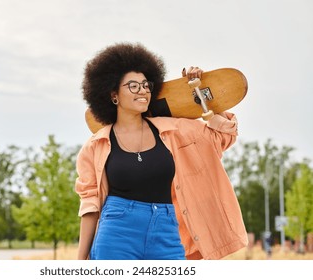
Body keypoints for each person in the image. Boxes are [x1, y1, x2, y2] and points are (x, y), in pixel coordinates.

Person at [75, 42, 248, 260]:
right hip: (117, 230)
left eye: (146, 85)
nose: (142, 91)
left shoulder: (175, 131)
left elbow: (223, 135)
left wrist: (202, 93)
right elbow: (90, 207)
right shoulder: (95, 146)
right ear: (114, 95)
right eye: (133, 86)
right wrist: (80, 263)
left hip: (166, 228)